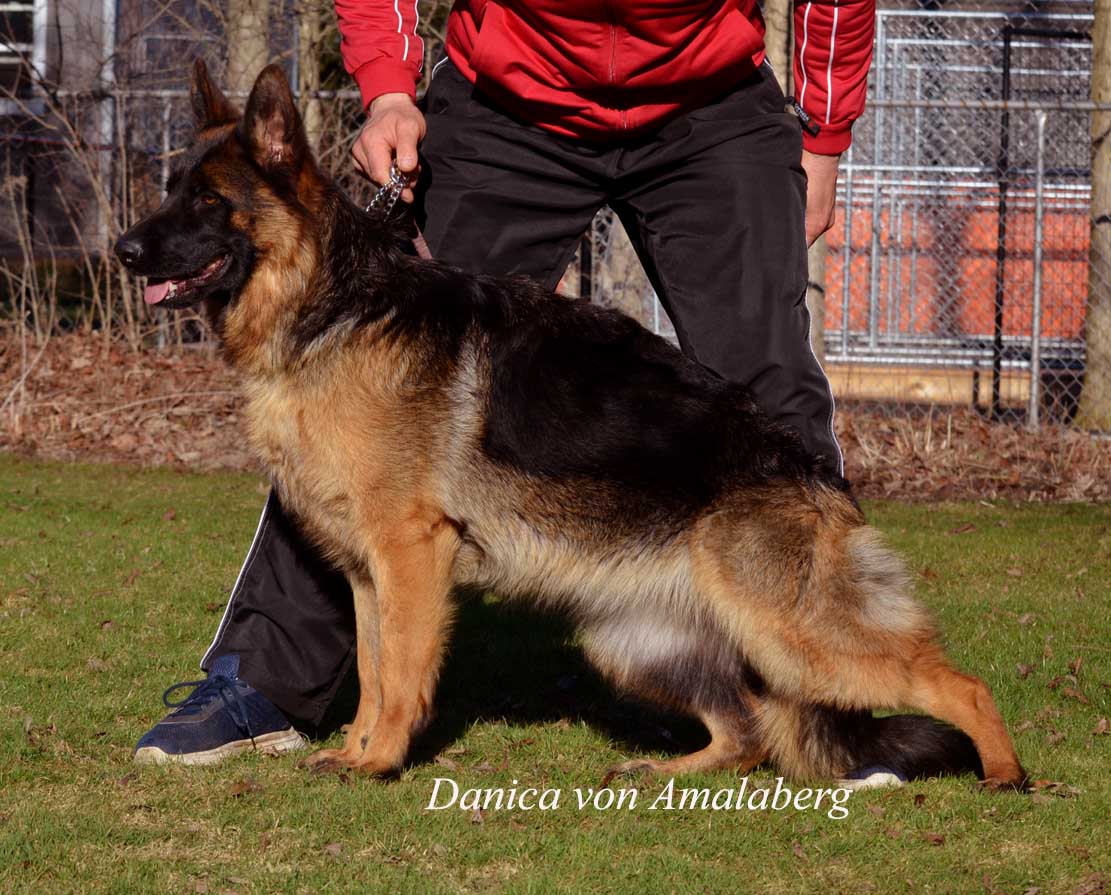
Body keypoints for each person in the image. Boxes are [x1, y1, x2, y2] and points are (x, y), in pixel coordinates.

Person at [135, 0, 900, 788]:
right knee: (359, 407)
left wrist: (823, 132)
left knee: (770, 387)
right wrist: (389, 87)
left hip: (707, 102)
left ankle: (839, 707)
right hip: (509, 96)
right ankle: (261, 682)